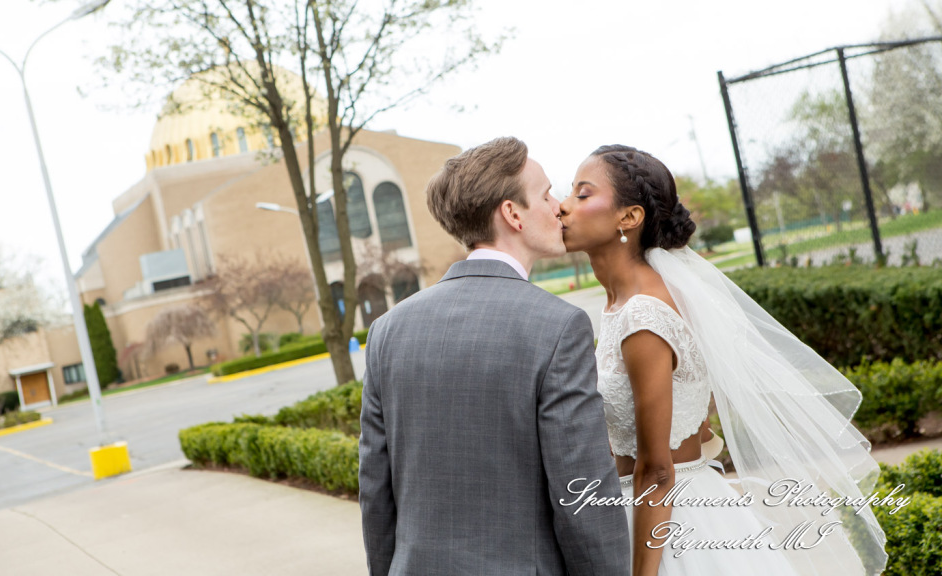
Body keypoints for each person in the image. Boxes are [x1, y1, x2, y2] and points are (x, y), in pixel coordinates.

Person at [559, 144, 888, 576]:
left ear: (629, 217)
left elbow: (657, 470)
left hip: (667, 529)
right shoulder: (628, 302)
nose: (562, 207)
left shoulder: (643, 314)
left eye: (582, 195)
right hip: (666, 507)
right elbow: (699, 426)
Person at [358, 137, 631, 576]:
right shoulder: (558, 327)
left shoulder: (387, 331)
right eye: (544, 194)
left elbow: (375, 490)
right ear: (512, 214)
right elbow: (581, 494)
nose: (557, 206)